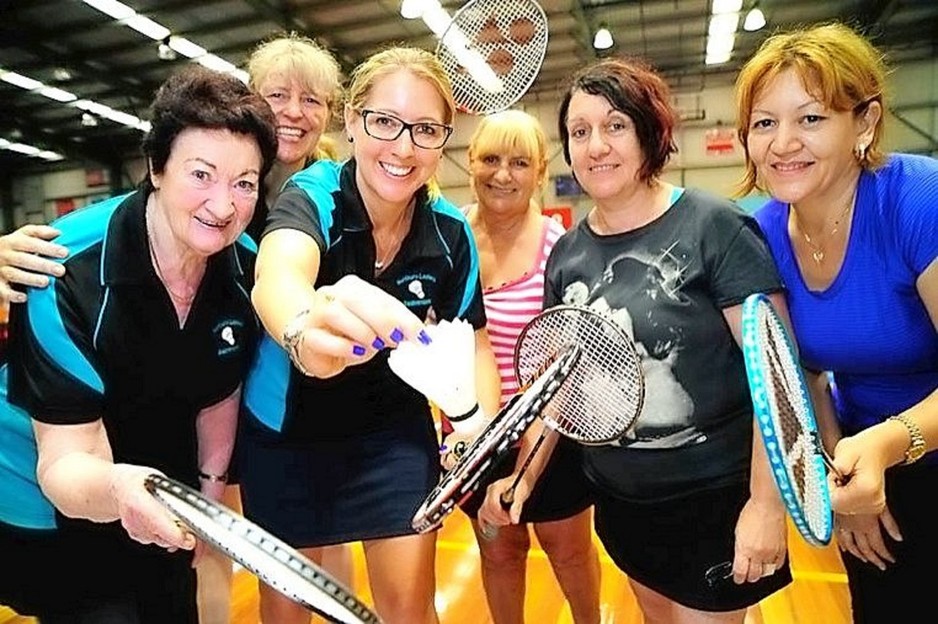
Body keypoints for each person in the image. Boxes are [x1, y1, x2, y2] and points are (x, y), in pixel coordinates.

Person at [0, 33, 355, 624]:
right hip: (41, 498)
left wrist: (208, 499)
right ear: (156, 168)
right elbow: (66, 463)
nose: (223, 204)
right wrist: (121, 490)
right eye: (201, 175)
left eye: (244, 183)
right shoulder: (63, 272)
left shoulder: (244, 268)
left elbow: (219, 393)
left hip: (156, 488)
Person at [478, 56, 793, 623]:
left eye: (615, 125)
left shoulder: (714, 226)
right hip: (621, 502)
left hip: (710, 499)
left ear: (650, 132)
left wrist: (768, 505)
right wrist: (522, 479)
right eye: (580, 132)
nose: (596, 145)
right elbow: (559, 389)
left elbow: (777, 381)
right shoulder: (567, 254)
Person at [241, 46, 501, 624]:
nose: (403, 148)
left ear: (444, 139)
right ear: (353, 122)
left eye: (426, 130)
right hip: (286, 437)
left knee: (410, 611)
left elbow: (475, 341)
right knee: (284, 612)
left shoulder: (452, 233)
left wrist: (475, 425)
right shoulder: (313, 194)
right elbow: (277, 276)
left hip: (392, 440)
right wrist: (304, 332)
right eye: (385, 122)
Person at [734, 22, 938, 622]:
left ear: (865, 124)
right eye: (764, 123)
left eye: (812, 119)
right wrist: (838, 470)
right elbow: (804, 375)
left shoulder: (917, 201)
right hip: (868, 464)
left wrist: (890, 442)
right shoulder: (764, 234)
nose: (783, 142)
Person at [454, 109, 600, 624]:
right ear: (470, 162)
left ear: (540, 173)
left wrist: (526, 469)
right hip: (475, 435)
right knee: (498, 551)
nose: (502, 174)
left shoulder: (560, 250)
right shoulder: (449, 239)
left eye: (519, 162)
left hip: (551, 433)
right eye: (490, 159)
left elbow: (568, 369)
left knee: (568, 551)